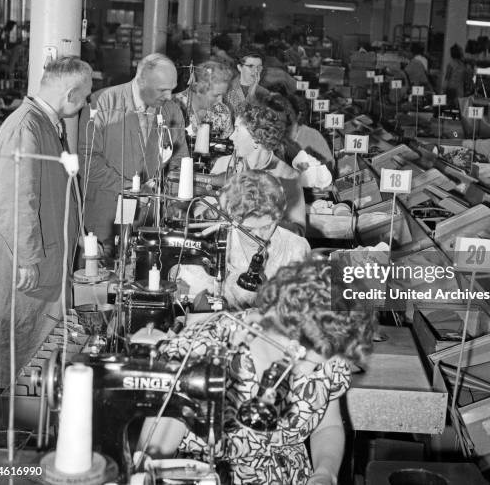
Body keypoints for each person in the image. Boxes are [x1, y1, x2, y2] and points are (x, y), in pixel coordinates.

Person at [141, 259, 373, 485]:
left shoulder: (328, 345)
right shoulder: (201, 351)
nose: (309, 373)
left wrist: (325, 473)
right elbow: (152, 455)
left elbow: (327, 425)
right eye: (305, 359)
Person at [0, 57, 93, 392]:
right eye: (85, 96)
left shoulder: (47, 123)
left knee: (34, 348)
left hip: (47, 257)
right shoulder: (25, 127)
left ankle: (25, 417)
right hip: (29, 262)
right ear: (71, 93)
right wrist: (27, 258)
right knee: (17, 349)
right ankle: (9, 431)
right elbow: (16, 198)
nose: (86, 103)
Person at [78, 53, 188, 253]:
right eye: (162, 90)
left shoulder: (171, 110)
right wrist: (130, 188)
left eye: (172, 90)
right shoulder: (102, 102)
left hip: (149, 221)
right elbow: (87, 161)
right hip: (106, 217)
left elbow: (179, 163)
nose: (169, 96)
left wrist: (174, 202)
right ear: (142, 81)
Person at [212, 96, 306, 236]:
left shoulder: (288, 176)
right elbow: (200, 207)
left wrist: (262, 223)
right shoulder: (223, 165)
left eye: (237, 129)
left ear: (256, 138)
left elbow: (298, 231)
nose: (231, 137)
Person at [217, 170, 310, 309]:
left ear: (279, 217)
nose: (259, 236)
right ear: (232, 219)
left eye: (266, 227)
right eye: (248, 230)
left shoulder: (296, 249)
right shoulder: (217, 243)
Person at [175, 60, 234, 140]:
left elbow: (228, 147)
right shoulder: (175, 106)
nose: (220, 101)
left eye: (222, 95)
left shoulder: (223, 112)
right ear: (200, 89)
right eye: (216, 95)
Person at [281, 93, 334, 168]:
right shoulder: (279, 133)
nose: (285, 115)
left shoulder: (312, 135)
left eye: (289, 112)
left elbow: (329, 163)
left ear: (298, 114)